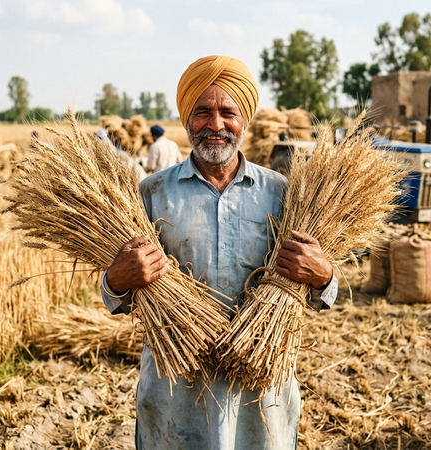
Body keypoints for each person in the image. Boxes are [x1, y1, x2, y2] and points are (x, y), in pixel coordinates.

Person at [100, 55, 338, 449]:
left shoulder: (284, 194)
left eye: (228, 112)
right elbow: (115, 297)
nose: (216, 124)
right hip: (176, 397)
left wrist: (323, 274)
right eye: (202, 112)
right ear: (185, 119)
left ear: (243, 119)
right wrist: (116, 281)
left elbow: (321, 293)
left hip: (261, 399)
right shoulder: (150, 194)